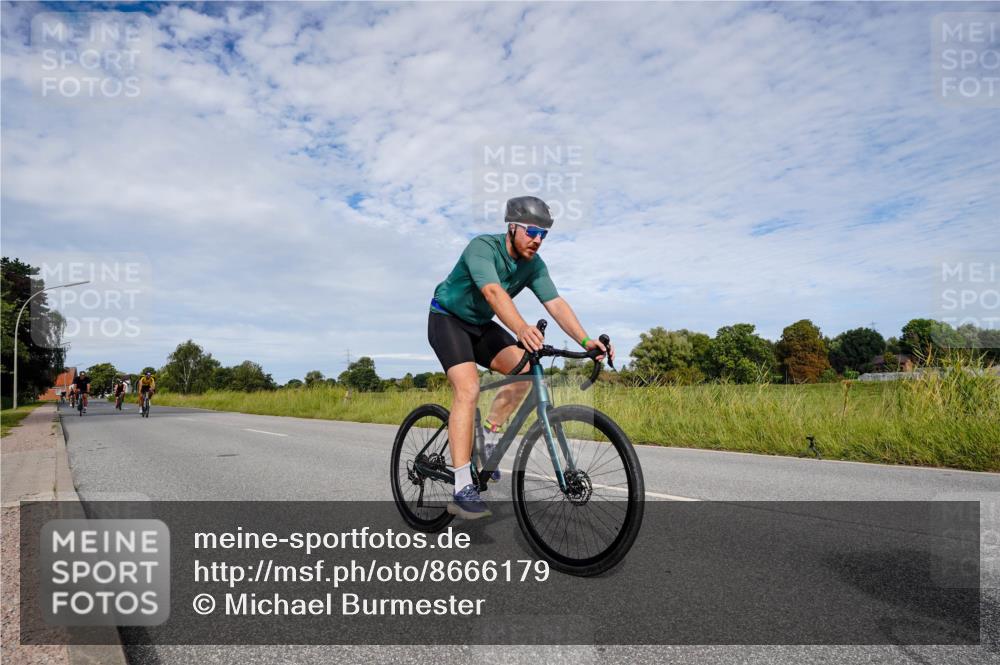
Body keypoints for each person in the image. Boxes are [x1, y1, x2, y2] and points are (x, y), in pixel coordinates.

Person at [427, 195, 612, 519]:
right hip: (448, 319)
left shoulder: (534, 266)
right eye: (531, 231)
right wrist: (521, 328)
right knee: (467, 390)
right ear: (512, 227)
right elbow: (493, 293)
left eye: (543, 234)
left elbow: (555, 304)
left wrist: (586, 340)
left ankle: (487, 439)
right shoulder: (482, 248)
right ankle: (461, 487)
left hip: (481, 325)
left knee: (527, 370)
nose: (537, 240)